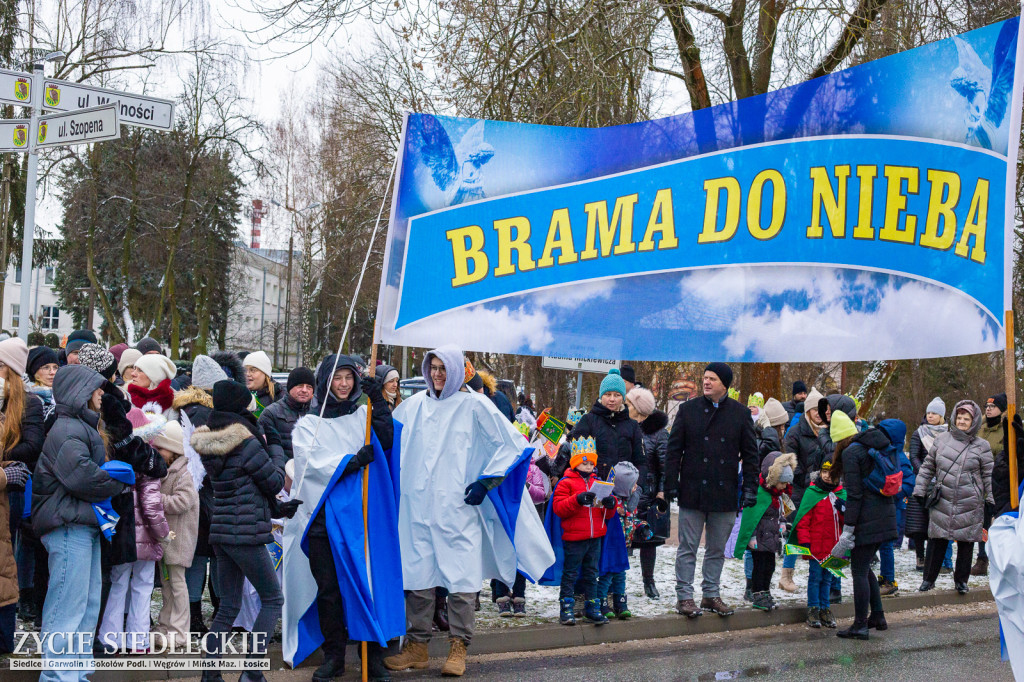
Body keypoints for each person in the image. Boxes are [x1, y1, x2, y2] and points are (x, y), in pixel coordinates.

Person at [384, 346, 553, 678]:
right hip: (418, 508)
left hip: (458, 510)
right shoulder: (412, 407)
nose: (436, 374)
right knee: (418, 576)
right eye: (432, 367)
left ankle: (458, 646)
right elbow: (388, 442)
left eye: (443, 368)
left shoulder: (476, 406)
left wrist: (485, 483)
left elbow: (512, 446)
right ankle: (417, 646)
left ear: (457, 372)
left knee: (460, 578)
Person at [292, 354, 393, 682]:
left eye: (350, 377)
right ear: (326, 381)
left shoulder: (364, 415)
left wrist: (378, 402)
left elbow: (387, 442)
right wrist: (350, 462)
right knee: (330, 591)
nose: (345, 384)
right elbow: (310, 462)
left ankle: (371, 656)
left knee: (366, 587)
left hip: (361, 521)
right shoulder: (310, 423)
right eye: (338, 377)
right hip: (323, 520)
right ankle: (334, 656)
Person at [33, 365, 129, 680]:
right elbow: (82, 477)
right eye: (96, 388)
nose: (102, 394)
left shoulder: (80, 426)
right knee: (66, 607)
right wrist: (119, 480)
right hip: (68, 524)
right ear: (81, 392)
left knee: (86, 607)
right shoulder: (67, 429)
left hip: (81, 523)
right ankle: (57, 676)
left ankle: (75, 674)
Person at [190, 379, 286, 682]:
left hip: (221, 532)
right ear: (238, 405)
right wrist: (278, 452)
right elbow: (273, 482)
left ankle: (211, 673)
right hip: (246, 533)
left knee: (228, 605)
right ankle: (253, 670)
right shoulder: (246, 441)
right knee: (273, 599)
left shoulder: (211, 441)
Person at [665, 362, 758, 619]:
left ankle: (710, 594)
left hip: (725, 492)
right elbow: (674, 451)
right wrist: (670, 483)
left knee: (716, 549)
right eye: (705, 378)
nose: (706, 382)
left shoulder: (740, 414)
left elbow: (751, 456)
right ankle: (684, 597)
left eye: (713, 379)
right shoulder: (688, 410)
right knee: (688, 548)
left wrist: (750, 488)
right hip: (693, 491)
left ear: (724, 384)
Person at [565, 368, 644, 618]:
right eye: (607, 394)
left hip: (619, 499)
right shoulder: (589, 421)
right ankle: (583, 598)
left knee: (617, 549)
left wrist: (636, 483)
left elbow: (640, 460)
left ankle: (612, 597)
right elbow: (574, 455)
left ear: (624, 397)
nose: (612, 399)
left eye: (616, 394)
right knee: (589, 549)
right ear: (600, 396)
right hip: (592, 495)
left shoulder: (631, 426)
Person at [98, 425, 170, 654]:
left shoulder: (116, 460)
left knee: (118, 584)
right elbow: (152, 507)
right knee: (143, 586)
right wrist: (163, 534)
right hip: (146, 537)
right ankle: (138, 641)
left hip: (122, 533)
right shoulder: (148, 465)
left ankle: (110, 639)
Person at [913, 400, 994, 595]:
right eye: (959, 417)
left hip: (970, 500)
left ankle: (961, 581)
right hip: (943, 497)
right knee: (937, 539)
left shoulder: (982, 445)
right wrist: (919, 490)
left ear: (973, 421)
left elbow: (988, 475)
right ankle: (928, 580)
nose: (962, 421)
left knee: (966, 543)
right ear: (953, 418)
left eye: (967, 418)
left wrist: (990, 500)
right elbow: (927, 467)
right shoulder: (941, 440)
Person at [828, 411, 896, 640]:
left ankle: (860, 624)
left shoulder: (851, 453)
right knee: (866, 568)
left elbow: (855, 495)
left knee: (858, 570)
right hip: (884, 516)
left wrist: (848, 530)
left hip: (868, 519)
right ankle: (877, 616)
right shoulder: (869, 446)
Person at [172, 354, 221, 635]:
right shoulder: (208, 413)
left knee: (195, 555)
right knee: (208, 555)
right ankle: (207, 612)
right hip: (208, 493)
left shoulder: (182, 408)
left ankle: (193, 613)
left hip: (190, 490)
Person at [553, 437, 617, 626]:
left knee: (592, 573)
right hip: (574, 537)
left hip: (595, 536)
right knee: (571, 573)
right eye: (584, 462)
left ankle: (592, 607)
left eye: (591, 463)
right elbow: (559, 508)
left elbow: (606, 514)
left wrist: (610, 505)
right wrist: (577, 499)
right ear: (575, 463)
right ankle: (566, 607)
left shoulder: (598, 482)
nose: (589, 466)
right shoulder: (566, 483)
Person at [152, 420, 200, 651]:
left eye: (161, 448)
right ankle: (165, 625)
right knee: (167, 585)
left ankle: (180, 632)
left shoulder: (184, 472)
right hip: (167, 539)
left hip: (179, 540)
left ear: (173, 449)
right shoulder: (169, 470)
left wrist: (156, 500)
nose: (157, 453)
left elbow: (183, 501)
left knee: (178, 585)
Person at [733, 451, 796, 612]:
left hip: (771, 539)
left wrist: (783, 523)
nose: (784, 487)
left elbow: (781, 512)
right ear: (773, 477)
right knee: (759, 567)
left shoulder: (778, 495)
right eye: (782, 483)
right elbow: (751, 517)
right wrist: (751, 536)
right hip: (759, 539)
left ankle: (766, 592)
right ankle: (757, 593)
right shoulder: (759, 493)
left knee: (770, 567)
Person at [789, 460, 844, 628]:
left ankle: (825, 609)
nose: (827, 476)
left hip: (834, 547)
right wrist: (804, 540)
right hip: (815, 546)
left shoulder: (841, 495)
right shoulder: (812, 492)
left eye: (831, 472)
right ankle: (813, 608)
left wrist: (843, 509)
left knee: (828, 578)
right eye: (824, 472)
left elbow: (846, 521)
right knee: (815, 577)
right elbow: (803, 519)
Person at [626, 386, 667, 600]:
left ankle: (649, 582)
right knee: (623, 539)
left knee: (648, 542)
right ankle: (617, 582)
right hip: (626, 493)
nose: (626, 406)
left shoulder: (659, 433)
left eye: (630, 403)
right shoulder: (625, 427)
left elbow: (664, 466)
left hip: (649, 494)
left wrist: (661, 492)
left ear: (639, 408)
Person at [906, 397, 946, 571]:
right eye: (928, 412)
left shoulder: (947, 434)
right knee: (918, 523)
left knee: (936, 522)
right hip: (921, 481)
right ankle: (920, 557)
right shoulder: (919, 433)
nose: (930, 416)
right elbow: (914, 455)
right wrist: (925, 473)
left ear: (941, 416)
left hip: (941, 482)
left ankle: (935, 558)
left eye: (934, 413)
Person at [973, 393, 1006, 576]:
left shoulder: (1006, 428)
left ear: (1001, 409)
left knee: (999, 520)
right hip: (980, 481)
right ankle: (982, 558)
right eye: (986, 406)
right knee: (983, 522)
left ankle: (1000, 558)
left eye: (992, 406)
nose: (988, 409)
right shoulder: (980, 428)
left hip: (1000, 481)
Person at [258, 367, 316, 461]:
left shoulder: (318, 414)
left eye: (309, 387)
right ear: (290, 388)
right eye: (300, 386)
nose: (304, 390)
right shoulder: (271, 413)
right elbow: (266, 451)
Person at [27, 345, 59, 431]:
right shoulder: (29, 398)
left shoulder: (63, 394)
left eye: (55, 367)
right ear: (34, 370)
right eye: (46, 367)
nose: (52, 372)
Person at [242, 351, 282, 418]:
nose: (247, 374)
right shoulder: (239, 396)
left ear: (265, 373)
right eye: (245, 370)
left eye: (253, 370)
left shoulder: (279, 397)